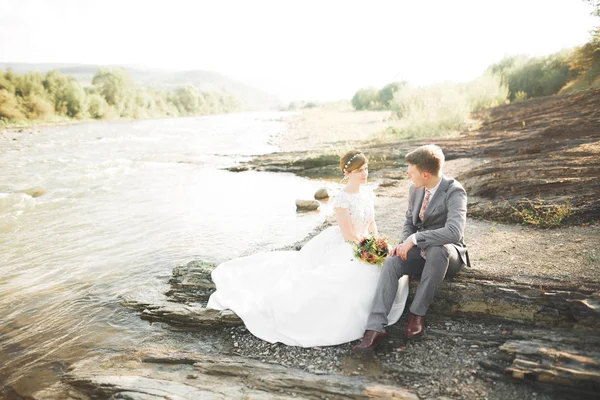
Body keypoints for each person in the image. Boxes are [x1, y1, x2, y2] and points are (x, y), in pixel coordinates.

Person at [207, 150, 409, 347]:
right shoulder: (342, 198)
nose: (364, 173)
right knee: (348, 277)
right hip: (348, 244)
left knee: (388, 266)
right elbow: (348, 235)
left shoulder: (367, 193)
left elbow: (371, 224)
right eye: (359, 170)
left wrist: (378, 244)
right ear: (348, 173)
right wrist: (368, 249)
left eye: (365, 169)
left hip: (365, 241)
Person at [353, 145, 470, 351]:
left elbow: (454, 232)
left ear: (425, 174)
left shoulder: (454, 191)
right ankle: (375, 328)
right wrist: (403, 243)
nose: (408, 174)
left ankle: (417, 314)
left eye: (411, 171)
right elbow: (409, 222)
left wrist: (415, 239)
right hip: (420, 251)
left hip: (448, 254)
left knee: (438, 250)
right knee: (392, 261)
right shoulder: (415, 188)